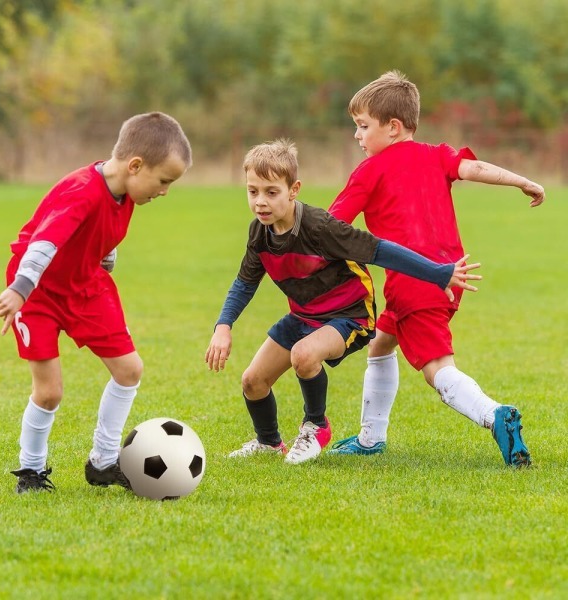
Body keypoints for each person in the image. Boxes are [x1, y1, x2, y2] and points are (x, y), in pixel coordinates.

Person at [205, 138, 481, 465]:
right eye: (253, 192)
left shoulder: (319, 227)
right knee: (253, 381)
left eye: (271, 192)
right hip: (305, 316)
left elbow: (381, 250)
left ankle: (316, 426)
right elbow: (245, 282)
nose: (260, 202)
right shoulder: (259, 233)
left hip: (349, 315)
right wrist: (223, 326)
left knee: (304, 355)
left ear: (294, 190)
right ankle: (268, 442)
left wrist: (438, 272)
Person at [327, 70, 545, 467]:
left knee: (437, 370)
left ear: (393, 127)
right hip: (450, 274)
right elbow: (474, 170)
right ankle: (371, 437)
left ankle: (494, 415)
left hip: (415, 281)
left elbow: (332, 226)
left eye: (362, 126)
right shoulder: (436, 154)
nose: (357, 136)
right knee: (380, 344)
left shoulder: (369, 171)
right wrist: (523, 181)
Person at [0, 112, 192, 493]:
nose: (165, 190)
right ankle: (31, 471)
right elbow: (45, 243)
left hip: (86, 286)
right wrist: (21, 289)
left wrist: (106, 256)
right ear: (135, 166)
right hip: (38, 291)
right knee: (49, 391)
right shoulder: (82, 190)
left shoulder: (125, 191)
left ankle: (103, 462)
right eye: (164, 180)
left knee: (129, 369)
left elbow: (102, 231)